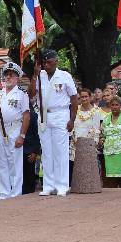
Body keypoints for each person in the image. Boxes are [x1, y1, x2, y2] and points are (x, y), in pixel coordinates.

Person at [0, 61, 29, 200]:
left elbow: (26, 115)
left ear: (17, 78)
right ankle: (4, 192)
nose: (8, 78)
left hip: (14, 129)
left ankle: (15, 192)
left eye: (11, 75)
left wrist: (22, 135)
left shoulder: (21, 94)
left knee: (14, 162)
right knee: (1, 162)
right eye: (6, 75)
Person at [34, 49, 78, 196]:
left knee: (60, 151)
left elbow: (74, 99)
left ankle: (62, 185)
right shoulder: (39, 76)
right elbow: (30, 93)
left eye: (49, 62)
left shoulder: (65, 76)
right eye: (44, 62)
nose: (46, 65)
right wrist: (35, 74)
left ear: (56, 61)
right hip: (44, 115)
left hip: (61, 114)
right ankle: (48, 185)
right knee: (46, 152)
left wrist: (72, 119)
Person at [69, 88, 104, 194]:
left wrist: (93, 142)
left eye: (86, 97)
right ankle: (76, 186)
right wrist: (73, 137)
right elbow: (72, 125)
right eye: (82, 97)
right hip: (76, 141)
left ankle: (89, 186)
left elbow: (96, 128)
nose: (84, 99)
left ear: (90, 97)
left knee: (88, 167)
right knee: (74, 165)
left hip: (88, 143)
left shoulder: (96, 111)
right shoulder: (76, 110)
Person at [100, 96, 121, 188]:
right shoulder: (106, 118)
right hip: (108, 153)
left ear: (120, 105)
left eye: (117, 105)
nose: (114, 107)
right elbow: (102, 133)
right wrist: (101, 139)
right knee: (110, 181)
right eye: (112, 105)